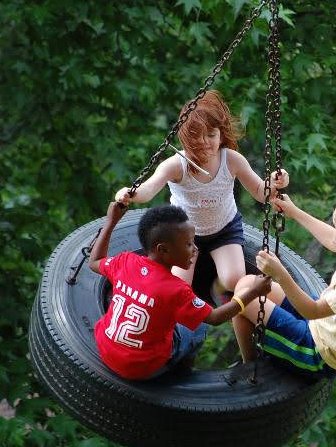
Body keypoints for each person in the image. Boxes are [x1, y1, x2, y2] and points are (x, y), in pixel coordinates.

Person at [114, 90, 288, 297]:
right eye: (197, 136)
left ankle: (216, 295)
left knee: (233, 279)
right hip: (184, 233)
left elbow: (261, 192)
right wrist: (130, 193)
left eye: (211, 135)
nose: (205, 142)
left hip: (224, 228)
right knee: (179, 285)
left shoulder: (231, 160)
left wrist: (275, 182)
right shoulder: (176, 166)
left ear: (221, 134)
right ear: (186, 138)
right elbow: (149, 189)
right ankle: (191, 310)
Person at [89, 199, 272, 380]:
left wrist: (111, 221)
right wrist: (253, 292)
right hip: (143, 368)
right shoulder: (176, 290)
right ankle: (180, 372)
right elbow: (215, 318)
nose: (195, 249)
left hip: (105, 350)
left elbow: (95, 262)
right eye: (189, 244)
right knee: (199, 327)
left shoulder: (125, 261)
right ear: (163, 250)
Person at [231, 187, 336, 378]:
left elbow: (313, 310)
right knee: (247, 284)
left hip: (320, 353)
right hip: (320, 323)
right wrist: (294, 211)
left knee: (243, 300)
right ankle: (251, 359)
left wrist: (281, 274)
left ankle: (249, 368)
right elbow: (331, 239)